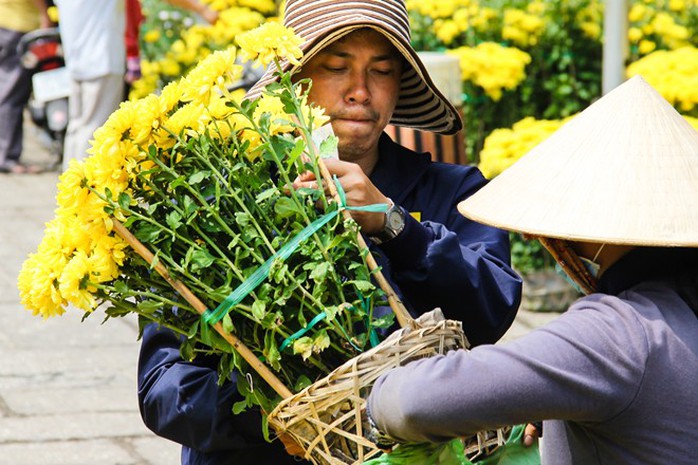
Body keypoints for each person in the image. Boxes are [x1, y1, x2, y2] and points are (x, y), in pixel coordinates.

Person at [137, 0, 522, 464]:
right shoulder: (215, 207)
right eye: (336, 67)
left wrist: (394, 225)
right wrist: (284, 412)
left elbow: (491, 310)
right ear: (292, 80)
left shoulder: (453, 191)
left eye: (381, 71)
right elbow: (164, 390)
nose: (360, 91)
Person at [366, 75, 698, 464]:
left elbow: (412, 403)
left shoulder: (621, 334)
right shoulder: (677, 308)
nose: (533, 235)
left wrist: (374, 398)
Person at [55, 0, 217, 172]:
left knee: (77, 128)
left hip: (76, 62)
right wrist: (203, 9)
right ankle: (86, 188)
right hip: (102, 61)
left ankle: (69, 185)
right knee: (94, 134)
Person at [0, 0, 50, 174]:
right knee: (12, 93)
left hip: (7, 21)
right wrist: (45, 15)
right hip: (18, 25)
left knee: (7, 90)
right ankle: (6, 157)